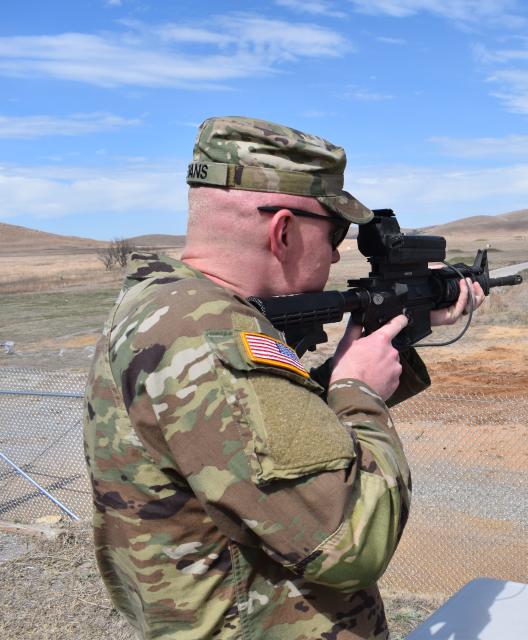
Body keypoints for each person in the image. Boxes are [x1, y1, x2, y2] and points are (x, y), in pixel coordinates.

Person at [83, 116, 484, 639]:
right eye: (336, 232)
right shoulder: (217, 340)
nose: (340, 252)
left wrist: (377, 348)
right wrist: (359, 393)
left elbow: (253, 438)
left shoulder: (161, 302)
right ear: (283, 230)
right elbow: (350, 544)